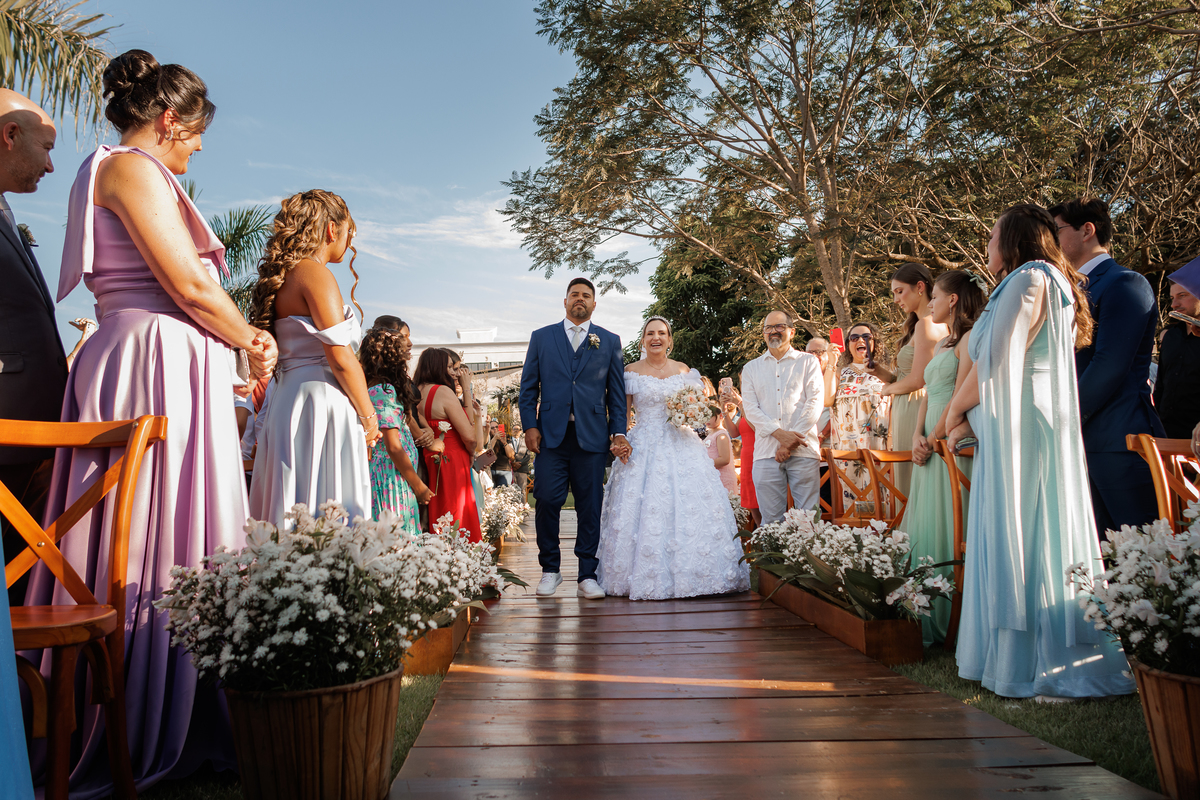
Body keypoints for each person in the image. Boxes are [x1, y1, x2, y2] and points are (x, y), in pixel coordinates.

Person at [27, 50, 278, 795]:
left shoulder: (136, 170)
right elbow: (189, 284)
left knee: (186, 527)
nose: (198, 146)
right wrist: (248, 336)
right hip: (149, 362)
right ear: (169, 119)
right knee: (145, 533)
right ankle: (142, 714)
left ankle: (189, 710)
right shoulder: (129, 168)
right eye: (196, 131)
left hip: (167, 362)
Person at [946, 203, 1133, 699]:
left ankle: (1036, 660)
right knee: (1033, 524)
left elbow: (998, 361)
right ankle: (1020, 653)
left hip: (1023, 425)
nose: (986, 247)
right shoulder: (1046, 279)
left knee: (1026, 526)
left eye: (991, 237)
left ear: (1014, 241)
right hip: (1026, 419)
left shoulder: (1029, 279)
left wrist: (952, 412)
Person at [248, 190, 377, 526]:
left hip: (289, 401)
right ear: (332, 229)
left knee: (294, 503)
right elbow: (341, 357)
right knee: (327, 508)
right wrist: (369, 418)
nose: (350, 241)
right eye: (350, 231)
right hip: (321, 402)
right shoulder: (314, 274)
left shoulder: (284, 277)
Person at [597, 317, 749, 598]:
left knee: (689, 505)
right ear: (643, 339)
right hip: (643, 443)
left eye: (662, 333)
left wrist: (690, 412)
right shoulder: (630, 371)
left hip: (681, 440)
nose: (656, 338)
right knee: (646, 507)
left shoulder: (683, 370)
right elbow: (622, 412)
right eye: (650, 333)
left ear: (670, 339)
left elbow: (697, 408)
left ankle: (696, 573)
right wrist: (620, 440)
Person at [1049, 197, 1163, 538]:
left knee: (1138, 554)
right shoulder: (1066, 291)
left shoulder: (1125, 284)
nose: (1050, 240)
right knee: (1096, 557)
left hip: (1119, 441)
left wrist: (1061, 419)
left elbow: (1109, 365)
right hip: (1080, 441)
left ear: (1087, 230)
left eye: (1057, 230)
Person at [519, 277, 628, 600]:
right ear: (564, 302)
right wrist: (529, 426)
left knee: (590, 506)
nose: (579, 299)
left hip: (592, 438)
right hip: (551, 436)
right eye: (574, 295)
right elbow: (528, 389)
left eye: (586, 296)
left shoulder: (609, 340)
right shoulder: (542, 338)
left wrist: (618, 431)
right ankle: (550, 570)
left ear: (594, 304)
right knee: (548, 500)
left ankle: (587, 574)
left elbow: (617, 397)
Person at [0, 90, 66, 609]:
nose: (50, 165)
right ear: (9, 134)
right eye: (45, 148)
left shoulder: (5, 212)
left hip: (32, 439)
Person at [899, 270, 986, 646]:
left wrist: (934, 437)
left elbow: (961, 394)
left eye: (935, 296)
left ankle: (954, 620)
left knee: (951, 524)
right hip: (928, 442)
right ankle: (920, 609)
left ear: (953, 300)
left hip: (951, 445)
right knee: (925, 523)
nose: (930, 303)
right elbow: (927, 395)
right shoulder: (942, 345)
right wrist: (918, 435)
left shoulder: (970, 340)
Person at [741, 310, 825, 523]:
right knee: (771, 522)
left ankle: (808, 558)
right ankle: (775, 559)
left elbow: (815, 402)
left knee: (808, 518)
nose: (773, 332)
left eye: (779, 327)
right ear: (763, 334)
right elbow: (751, 410)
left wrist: (790, 442)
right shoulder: (751, 368)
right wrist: (780, 435)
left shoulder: (808, 362)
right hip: (765, 453)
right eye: (768, 328)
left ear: (792, 332)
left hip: (803, 451)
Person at [876, 264, 947, 497]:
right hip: (906, 405)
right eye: (893, 293)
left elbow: (918, 380)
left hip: (915, 405)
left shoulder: (928, 324)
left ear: (919, 287)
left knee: (909, 483)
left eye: (899, 291)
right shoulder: (917, 325)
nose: (896, 299)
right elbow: (907, 376)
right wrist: (880, 373)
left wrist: (885, 391)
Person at [360, 323, 431, 533]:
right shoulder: (383, 390)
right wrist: (418, 486)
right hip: (392, 480)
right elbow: (393, 446)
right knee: (400, 539)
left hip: (395, 476)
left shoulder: (380, 388)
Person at [415, 348, 481, 540]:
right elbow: (469, 435)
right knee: (456, 511)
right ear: (437, 367)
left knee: (435, 508)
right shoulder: (442, 391)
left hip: (428, 456)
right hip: (451, 457)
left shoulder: (416, 390)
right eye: (450, 367)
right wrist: (471, 453)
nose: (454, 373)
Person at [826, 321, 891, 507]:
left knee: (881, 496)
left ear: (874, 342)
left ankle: (883, 534)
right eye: (854, 338)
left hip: (878, 444)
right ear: (848, 345)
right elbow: (827, 400)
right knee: (852, 500)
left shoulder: (885, 371)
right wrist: (832, 362)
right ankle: (854, 536)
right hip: (848, 446)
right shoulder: (840, 372)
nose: (860, 340)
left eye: (866, 337)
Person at [1152, 270, 1200, 439]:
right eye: (1173, 298)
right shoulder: (1171, 336)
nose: (1174, 304)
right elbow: (1161, 385)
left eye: (1182, 296)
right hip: (1166, 433)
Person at [719, 380, 761, 527]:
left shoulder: (757, 407)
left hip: (760, 457)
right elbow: (734, 432)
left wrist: (740, 404)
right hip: (747, 459)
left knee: (764, 504)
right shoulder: (745, 409)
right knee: (753, 506)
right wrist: (724, 409)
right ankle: (762, 541)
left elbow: (757, 426)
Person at [703, 404, 737, 492]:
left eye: (710, 416)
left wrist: (704, 464)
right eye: (705, 416)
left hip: (722, 478)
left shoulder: (721, 434)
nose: (707, 420)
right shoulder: (712, 433)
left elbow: (725, 459)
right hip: (714, 476)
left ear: (721, 416)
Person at [488, 421, 516, 486]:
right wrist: (495, 438)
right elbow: (488, 451)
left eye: (497, 427)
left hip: (504, 471)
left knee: (503, 493)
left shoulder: (506, 438)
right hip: (491, 471)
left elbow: (511, 455)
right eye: (492, 428)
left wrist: (505, 443)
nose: (495, 429)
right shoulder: (488, 439)